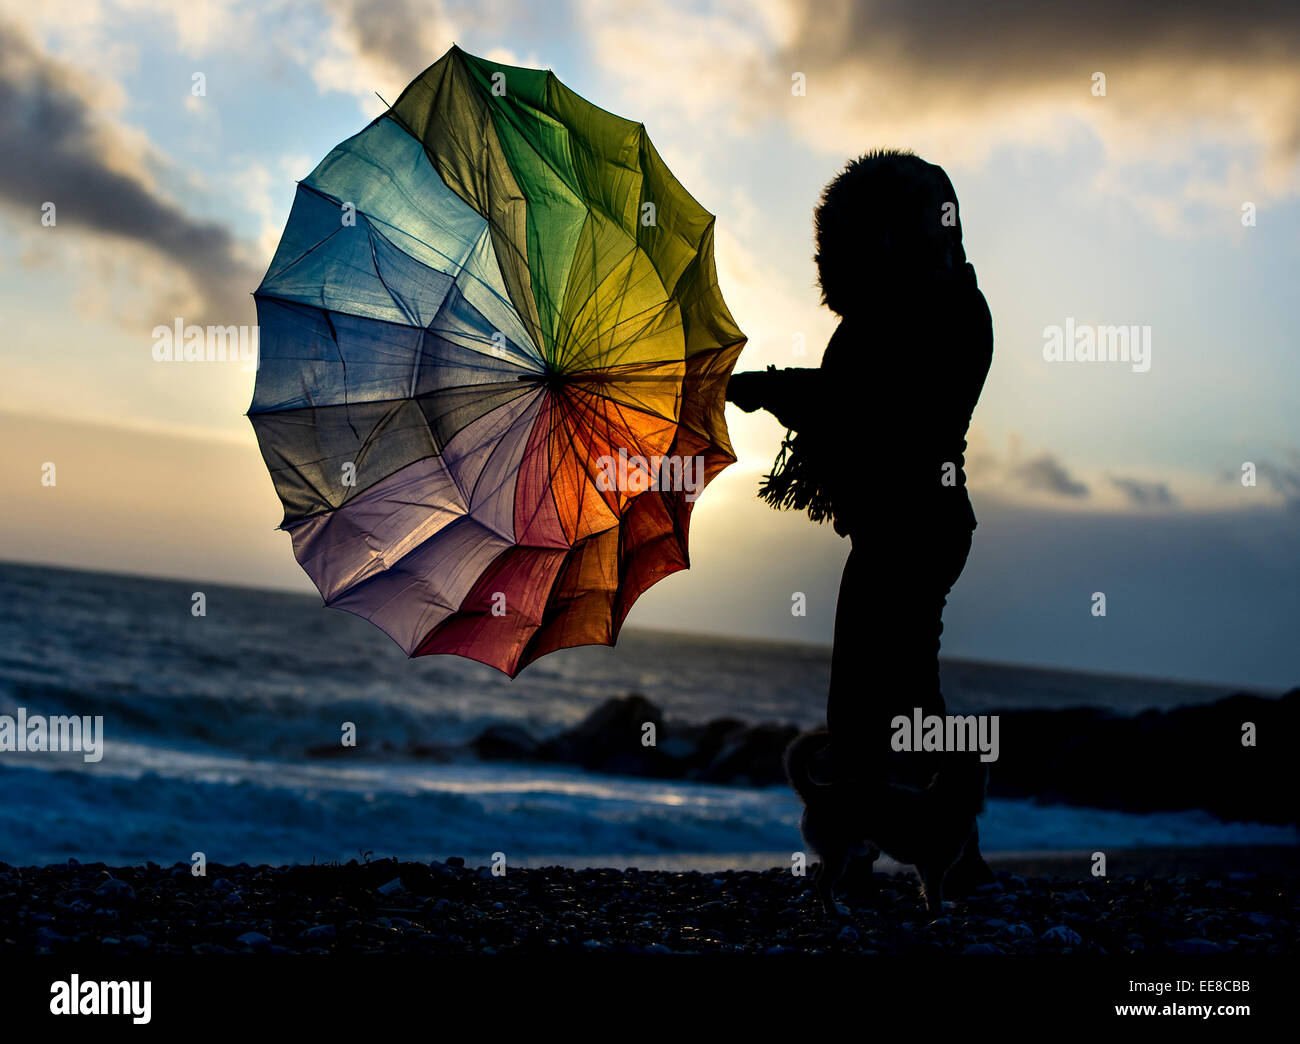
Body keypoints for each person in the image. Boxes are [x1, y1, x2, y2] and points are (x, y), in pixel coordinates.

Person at [727, 149, 995, 891]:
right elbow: (858, 397)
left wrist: (774, 389)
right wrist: (774, 388)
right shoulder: (916, 310)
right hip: (903, 526)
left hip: (919, 527)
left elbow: (877, 407)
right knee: (885, 694)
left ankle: (905, 845)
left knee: (886, 697)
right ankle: (931, 848)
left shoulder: (945, 314)